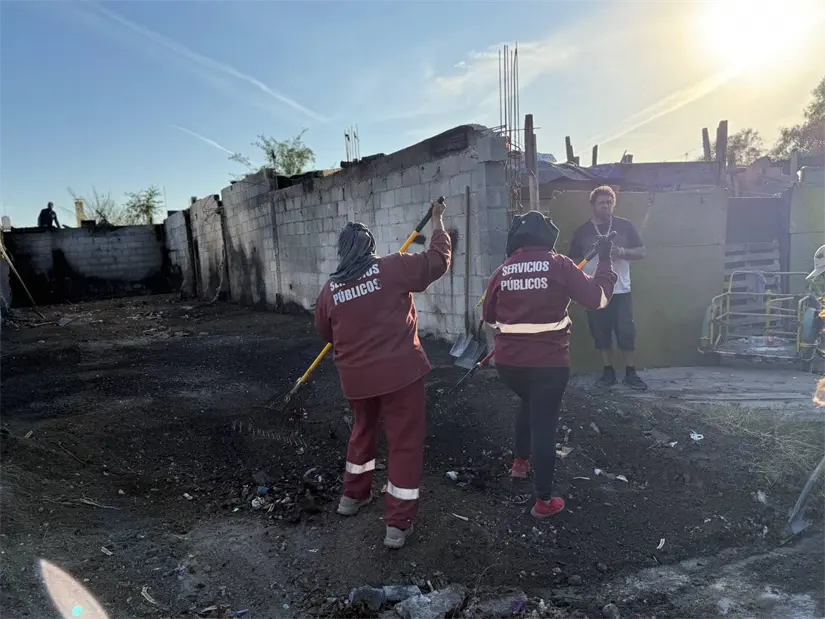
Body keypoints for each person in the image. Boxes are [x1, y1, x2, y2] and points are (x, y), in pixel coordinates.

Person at [314, 199, 451, 549]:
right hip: (400, 374)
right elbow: (438, 262)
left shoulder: (330, 290)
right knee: (404, 443)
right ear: (371, 247)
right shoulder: (393, 267)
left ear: (342, 251)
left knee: (362, 431)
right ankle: (397, 524)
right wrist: (438, 221)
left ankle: (351, 497)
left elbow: (327, 335)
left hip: (356, 379)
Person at [482, 211, 617, 519]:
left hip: (509, 366)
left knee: (528, 403)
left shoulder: (502, 271)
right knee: (544, 423)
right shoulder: (559, 265)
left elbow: (489, 316)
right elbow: (598, 299)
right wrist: (605, 262)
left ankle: (520, 463)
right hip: (548, 366)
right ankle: (544, 500)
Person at [569, 186, 647, 390]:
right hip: (593, 290)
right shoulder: (582, 231)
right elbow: (573, 261)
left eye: (609, 202)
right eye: (602, 203)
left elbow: (641, 252)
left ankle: (631, 373)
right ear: (593, 205)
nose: (606, 206)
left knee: (626, 332)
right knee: (601, 333)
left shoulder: (625, 226)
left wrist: (621, 251)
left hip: (621, 289)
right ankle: (608, 372)